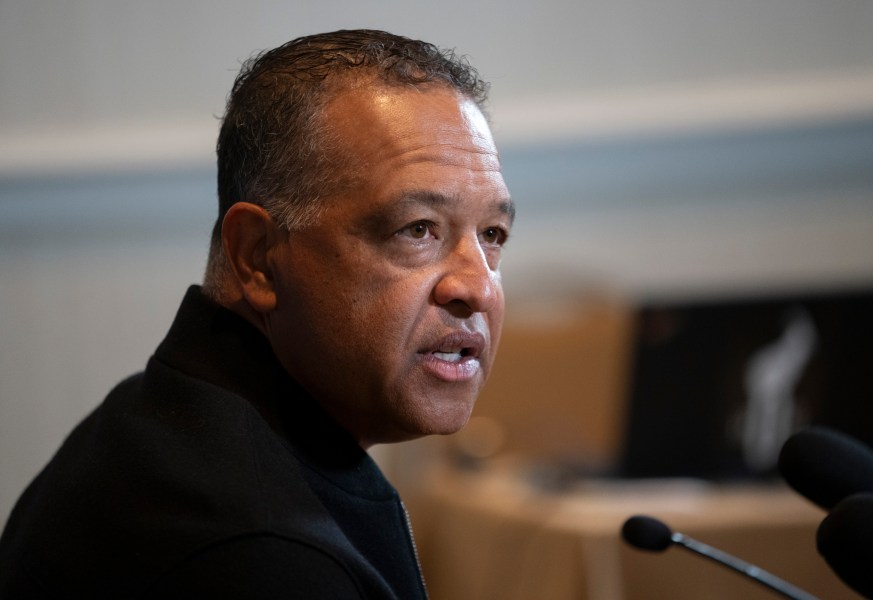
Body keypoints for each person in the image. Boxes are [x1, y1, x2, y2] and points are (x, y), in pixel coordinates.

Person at [0, 29, 514, 598]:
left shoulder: (157, 416)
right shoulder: (266, 556)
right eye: (417, 229)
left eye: (492, 235)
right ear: (258, 258)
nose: (478, 288)